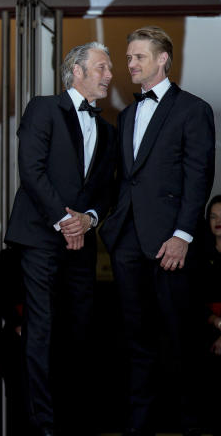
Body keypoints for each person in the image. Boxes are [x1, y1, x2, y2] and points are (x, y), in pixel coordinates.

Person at [99, 26, 215, 436]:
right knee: (136, 343)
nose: (130, 64)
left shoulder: (193, 109)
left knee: (182, 342)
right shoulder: (127, 113)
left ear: (163, 59)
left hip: (171, 243)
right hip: (129, 242)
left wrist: (183, 235)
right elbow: (124, 178)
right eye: (128, 57)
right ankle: (139, 427)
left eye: (138, 58)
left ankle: (192, 426)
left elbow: (198, 175)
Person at [4, 42, 119, 435]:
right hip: (40, 238)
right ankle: (42, 426)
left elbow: (107, 191)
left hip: (82, 243)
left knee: (80, 331)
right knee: (41, 328)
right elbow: (31, 170)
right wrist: (63, 221)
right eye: (102, 68)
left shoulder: (108, 129)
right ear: (77, 71)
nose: (109, 75)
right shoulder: (44, 107)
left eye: (109, 69)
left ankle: (75, 421)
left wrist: (87, 220)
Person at [196, 195, 221, 435]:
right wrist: (215, 322)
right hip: (208, 324)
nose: (218, 222)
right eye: (213, 216)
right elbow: (195, 299)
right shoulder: (201, 256)